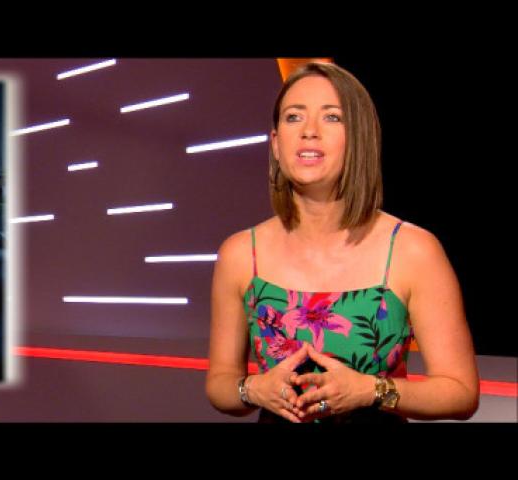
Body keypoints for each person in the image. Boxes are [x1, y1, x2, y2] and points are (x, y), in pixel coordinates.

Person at [205, 62, 479, 423]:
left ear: (360, 139)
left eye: (332, 117)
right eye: (293, 117)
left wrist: (369, 391)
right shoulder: (240, 254)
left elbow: (460, 392)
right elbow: (220, 383)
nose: (309, 131)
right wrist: (253, 389)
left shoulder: (413, 251)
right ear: (275, 143)